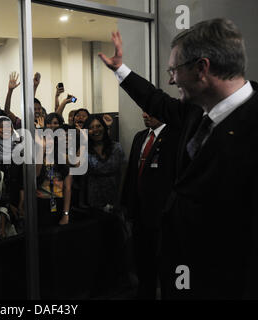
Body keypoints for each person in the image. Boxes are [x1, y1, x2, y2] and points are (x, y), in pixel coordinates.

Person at [99, 19, 258, 299]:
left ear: (202, 68)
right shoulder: (197, 112)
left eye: (174, 70)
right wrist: (120, 70)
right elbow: (156, 99)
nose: (171, 80)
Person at [121, 112, 180, 299]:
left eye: (151, 110)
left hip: (162, 214)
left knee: (164, 261)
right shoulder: (140, 137)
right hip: (139, 212)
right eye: (143, 110)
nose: (145, 115)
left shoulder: (175, 136)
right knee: (142, 259)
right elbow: (132, 172)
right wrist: (127, 205)